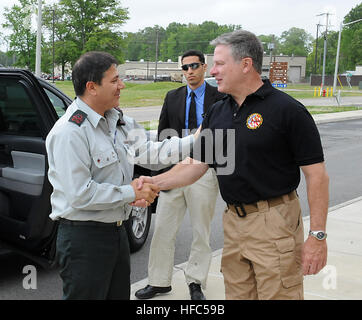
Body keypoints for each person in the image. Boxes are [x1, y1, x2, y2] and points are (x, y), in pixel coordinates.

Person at [138, 30, 329, 300]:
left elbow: (317, 175)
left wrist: (317, 236)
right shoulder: (219, 111)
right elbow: (195, 164)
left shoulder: (287, 111)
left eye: (219, 64)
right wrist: (152, 183)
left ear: (246, 64)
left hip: (275, 222)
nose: (212, 71)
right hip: (234, 224)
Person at [45, 51, 196, 300]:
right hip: (84, 239)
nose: (122, 85)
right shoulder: (69, 132)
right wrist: (132, 192)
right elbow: (80, 194)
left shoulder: (117, 121)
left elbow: (152, 153)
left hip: (116, 233)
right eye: (114, 81)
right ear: (92, 87)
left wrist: (197, 138)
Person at [135, 50, 224, 300]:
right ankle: (159, 282)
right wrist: (161, 173)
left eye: (194, 66)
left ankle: (196, 282)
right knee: (163, 228)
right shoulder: (172, 97)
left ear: (204, 67)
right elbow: (163, 134)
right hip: (174, 170)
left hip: (204, 170)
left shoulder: (220, 97)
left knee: (200, 232)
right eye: (185, 68)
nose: (189, 72)